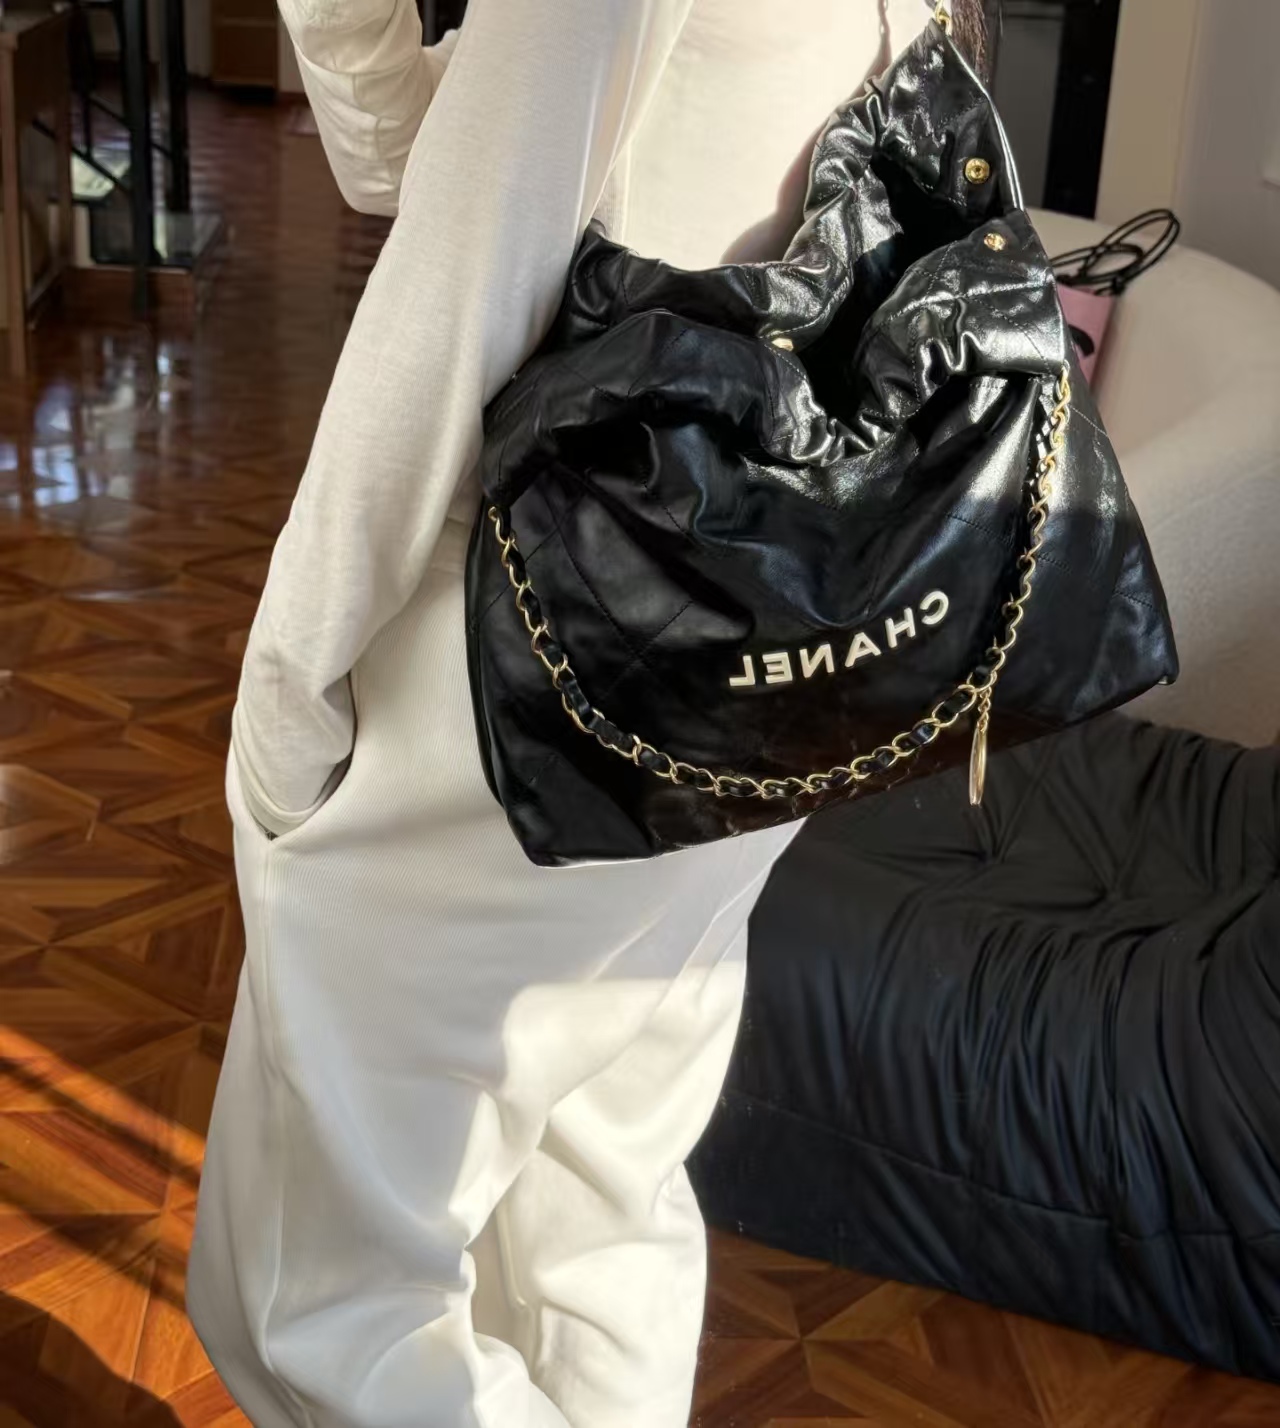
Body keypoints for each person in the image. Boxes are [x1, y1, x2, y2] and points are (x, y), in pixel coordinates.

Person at [188, 2, 937, 1424]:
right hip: (764, 641)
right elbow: (422, 162)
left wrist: (288, 679)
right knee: (598, 1211)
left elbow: (450, 299)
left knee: (317, 1304)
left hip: (524, 678)